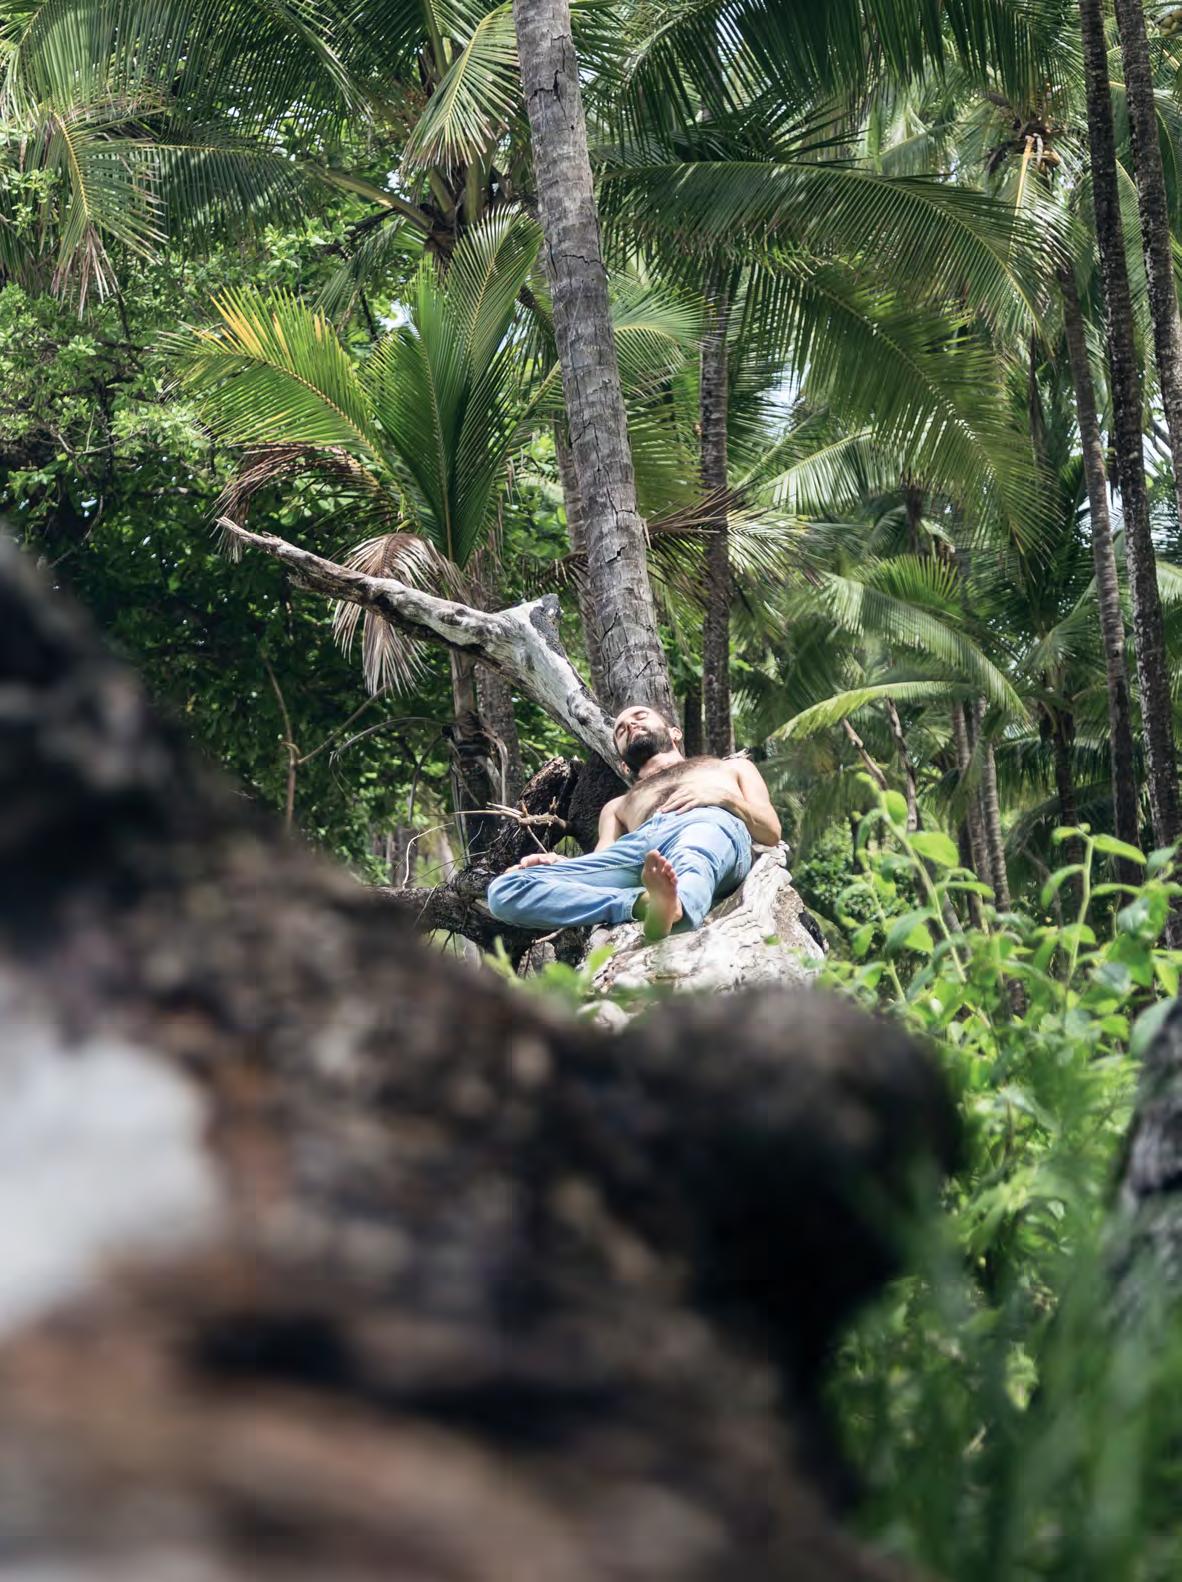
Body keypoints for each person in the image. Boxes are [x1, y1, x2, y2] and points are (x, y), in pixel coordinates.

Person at [486, 704, 781, 942]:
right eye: (621, 730)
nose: (630, 725)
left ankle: (678, 906)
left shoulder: (733, 767)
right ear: (624, 765)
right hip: (639, 850)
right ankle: (643, 904)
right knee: (505, 890)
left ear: (675, 732)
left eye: (640, 716)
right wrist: (558, 863)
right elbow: (604, 863)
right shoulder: (617, 806)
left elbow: (770, 832)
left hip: (707, 822)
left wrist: (724, 799)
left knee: (693, 853)